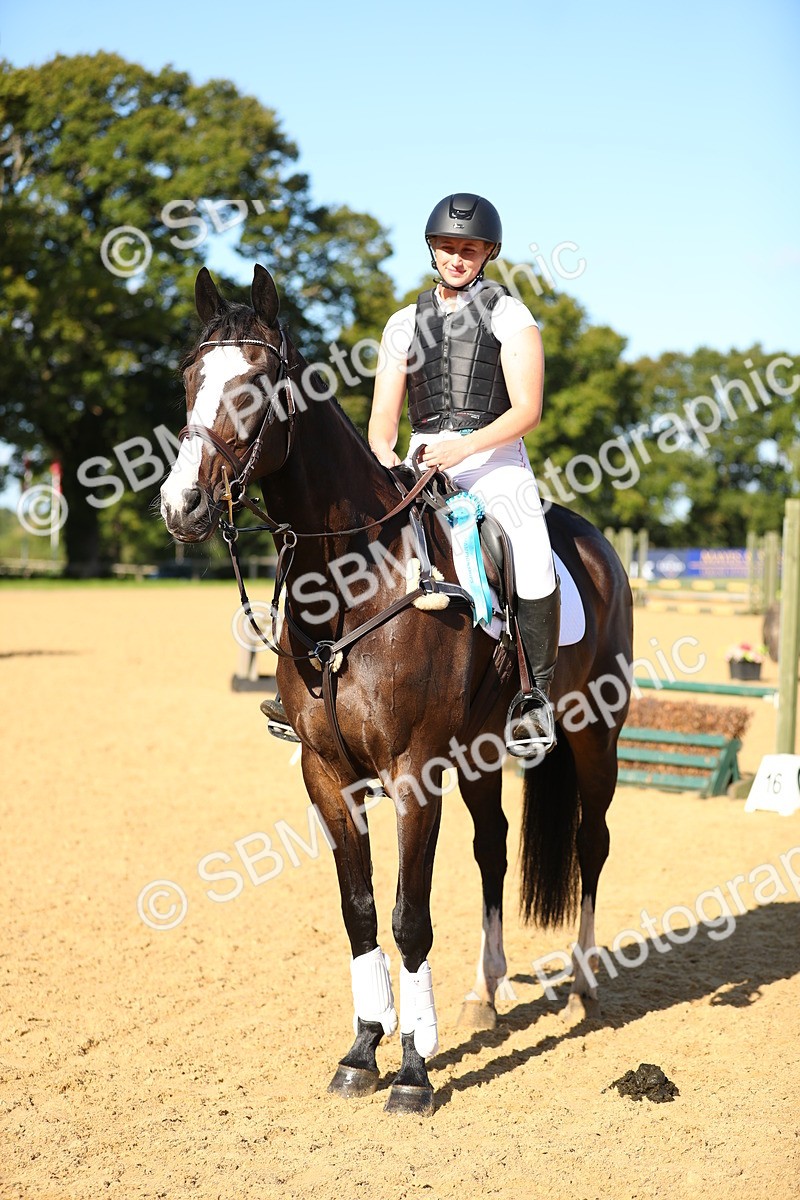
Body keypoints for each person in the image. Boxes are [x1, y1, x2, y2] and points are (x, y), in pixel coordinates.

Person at [263, 192, 559, 757]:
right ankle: (298, 678)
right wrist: (387, 457)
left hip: (493, 463)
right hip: (418, 462)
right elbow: (382, 418)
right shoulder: (403, 322)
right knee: (341, 538)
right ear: (433, 250)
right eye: (448, 247)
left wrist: (463, 447)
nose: (457, 258)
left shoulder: (510, 315)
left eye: (469, 249)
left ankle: (533, 698)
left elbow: (527, 412)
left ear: (488, 252)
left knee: (531, 547)